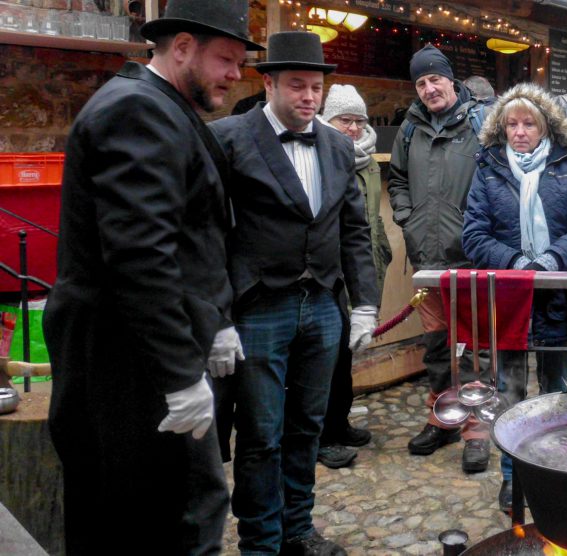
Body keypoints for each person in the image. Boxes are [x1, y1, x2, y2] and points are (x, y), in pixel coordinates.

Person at [41, 0, 261, 553]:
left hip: (151, 354)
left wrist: (216, 320)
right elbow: (141, 259)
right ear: (182, 47)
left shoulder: (164, 105)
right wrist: (180, 379)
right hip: (128, 365)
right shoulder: (136, 109)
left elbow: (192, 236)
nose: (236, 76)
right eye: (227, 60)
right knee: (161, 519)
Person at [210, 31, 378, 556]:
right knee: (260, 435)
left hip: (324, 305)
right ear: (270, 84)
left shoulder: (337, 144)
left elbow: (354, 229)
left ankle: (298, 530)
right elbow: (207, 235)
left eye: (316, 88)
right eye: (298, 86)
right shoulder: (228, 138)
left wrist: (365, 302)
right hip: (260, 308)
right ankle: (261, 542)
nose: (309, 97)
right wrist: (216, 316)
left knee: (308, 427)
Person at [462, 82, 567, 513]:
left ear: (545, 127)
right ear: (501, 127)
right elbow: (474, 234)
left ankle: (551, 466)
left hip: (556, 295)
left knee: (555, 388)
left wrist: (554, 259)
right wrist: (518, 263)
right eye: (512, 124)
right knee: (509, 392)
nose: (519, 132)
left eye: (529, 123)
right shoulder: (488, 167)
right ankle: (512, 475)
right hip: (509, 299)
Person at [388, 44, 492, 473]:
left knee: (474, 350)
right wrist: (405, 215)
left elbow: (498, 179)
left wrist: (476, 224)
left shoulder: (480, 125)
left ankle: (476, 432)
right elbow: (396, 178)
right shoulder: (409, 129)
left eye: (436, 79)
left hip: (469, 259)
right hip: (426, 259)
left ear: (452, 80)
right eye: (421, 82)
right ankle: (442, 419)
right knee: (435, 347)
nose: (430, 88)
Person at [316, 84, 393, 469]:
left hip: (362, 268)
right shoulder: (319, 155)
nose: (352, 128)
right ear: (328, 119)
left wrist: (382, 255)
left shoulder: (369, 162)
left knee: (345, 357)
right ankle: (322, 435)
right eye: (344, 120)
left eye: (358, 120)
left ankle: (339, 422)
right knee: (324, 359)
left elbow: (371, 221)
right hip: (329, 274)